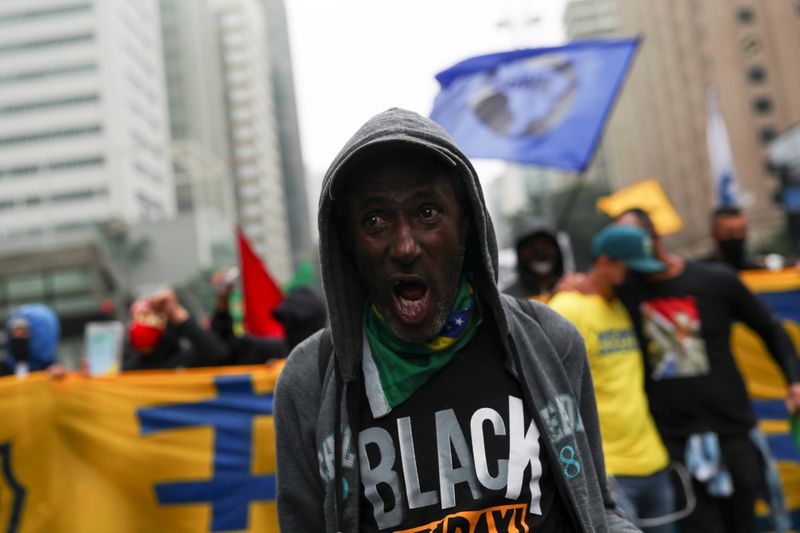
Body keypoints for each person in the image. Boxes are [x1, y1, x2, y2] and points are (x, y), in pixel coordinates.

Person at [274, 108, 638, 532]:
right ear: (349, 243)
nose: (406, 246)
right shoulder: (309, 380)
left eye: (428, 213)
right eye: (375, 220)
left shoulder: (549, 342)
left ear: (467, 223)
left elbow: (597, 507)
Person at [612, 208, 800, 533]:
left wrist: (794, 380)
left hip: (734, 433)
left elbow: (770, 328)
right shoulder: (622, 291)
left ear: (654, 238)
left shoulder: (715, 280)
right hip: (674, 444)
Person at [548, 225, 676, 533]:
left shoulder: (624, 307)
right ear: (605, 262)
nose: (635, 276)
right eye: (630, 268)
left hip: (654, 461)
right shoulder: (567, 309)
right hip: (609, 470)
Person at [122, 289, 228, 371]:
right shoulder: (128, 366)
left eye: (149, 317)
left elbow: (217, 354)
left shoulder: (185, 360)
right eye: (137, 318)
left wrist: (177, 314)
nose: (142, 323)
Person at [503, 219, 566, 301]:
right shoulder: (507, 300)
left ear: (557, 250)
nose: (540, 253)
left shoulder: (574, 288)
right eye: (531, 246)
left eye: (546, 246)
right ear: (520, 253)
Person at [1, 304, 66, 378]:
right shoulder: (4, 371)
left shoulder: (55, 373)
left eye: (23, 332)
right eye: (13, 333)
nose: (17, 337)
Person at [701, 205, 762, 270]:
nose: (736, 236)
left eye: (740, 231)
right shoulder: (702, 272)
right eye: (728, 232)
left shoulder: (759, 272)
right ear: (714, 234)